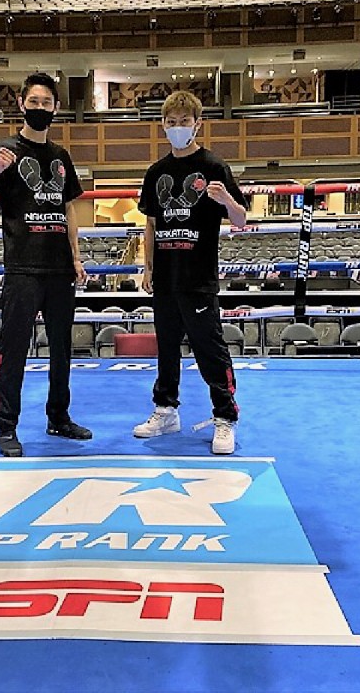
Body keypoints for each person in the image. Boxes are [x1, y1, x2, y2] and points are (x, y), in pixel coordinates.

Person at [0, 72, 92, 457]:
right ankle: (7, 427)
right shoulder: (2, 148)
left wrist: (76, 256)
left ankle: (59, 417)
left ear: (56, 108)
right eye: (34, 101)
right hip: (23, 268)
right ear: (21, 103)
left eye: (47, 102)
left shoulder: (60, 156)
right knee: (14, 349)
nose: (40, 107)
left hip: (59, 269)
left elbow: (68, 209)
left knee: (62, 350)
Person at [133, 91, 247, 455]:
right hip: (166, 276)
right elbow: (151, 224)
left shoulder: (214, 167)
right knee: (166, 348)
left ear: (198, 124)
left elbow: (241, 219)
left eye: (184, 121)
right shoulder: (156, 172)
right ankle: (166, 410)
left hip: (198, 276)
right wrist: (148, 267)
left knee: (209, 349)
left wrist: (226, 200)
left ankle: (225, 417)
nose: (177, 127)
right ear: (163, 125)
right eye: (172, 122)